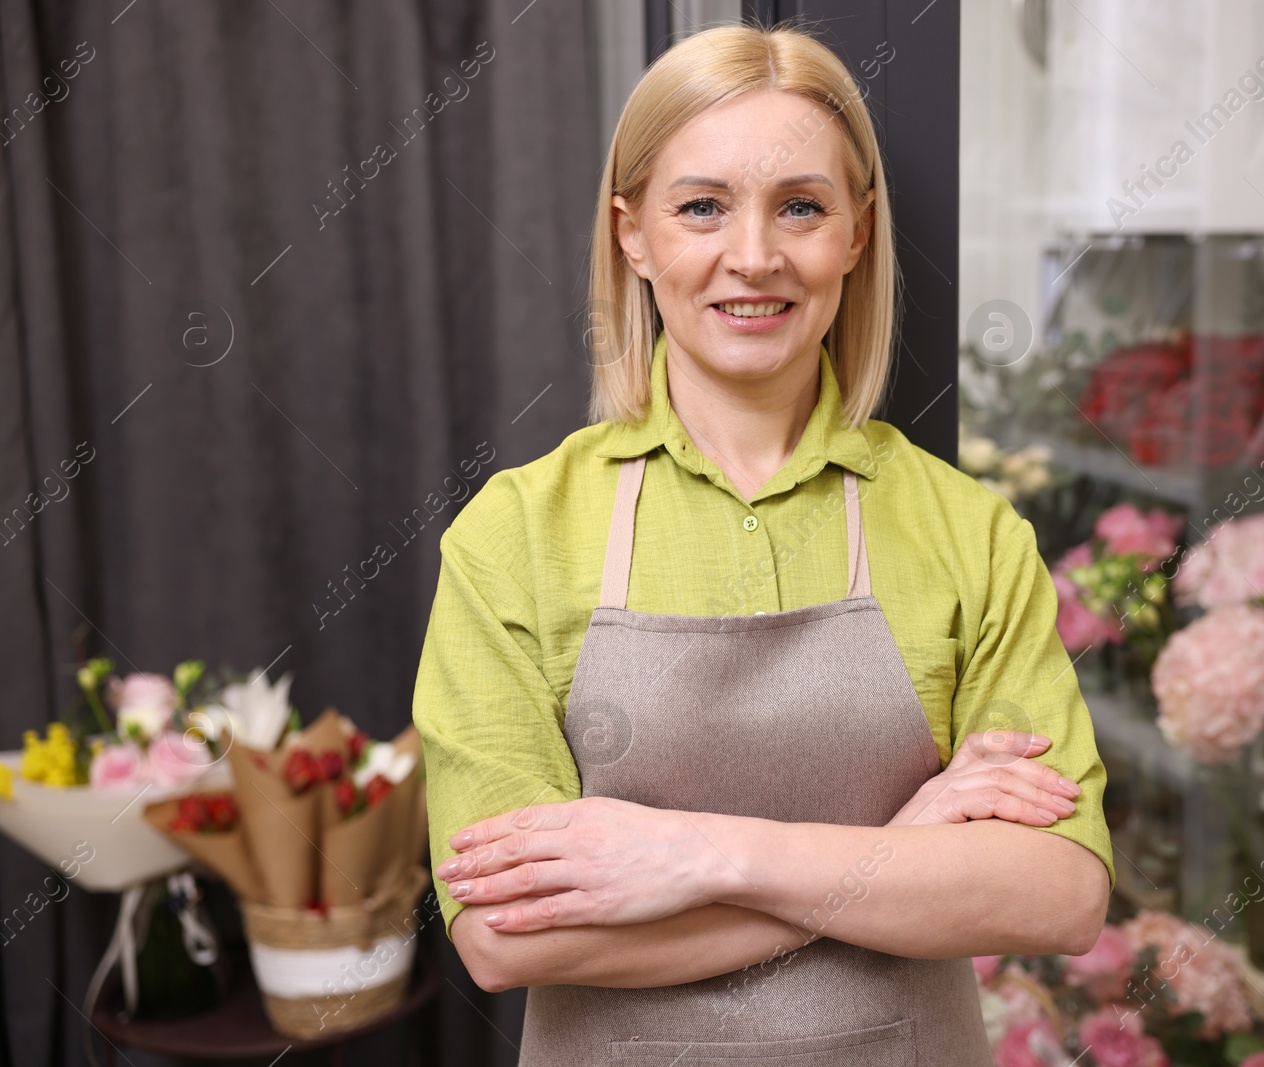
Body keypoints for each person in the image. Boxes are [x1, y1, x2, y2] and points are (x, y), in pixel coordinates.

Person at [412, 22, 1112, 1066]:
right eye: (701, 206)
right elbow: (508, 934)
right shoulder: (514, 536)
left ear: (857, 233)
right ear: (632, 235)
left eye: (800, 206)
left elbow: (1060, 893)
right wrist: (900, 852)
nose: (754, 255)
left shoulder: (966, 531)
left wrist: (700, 854)